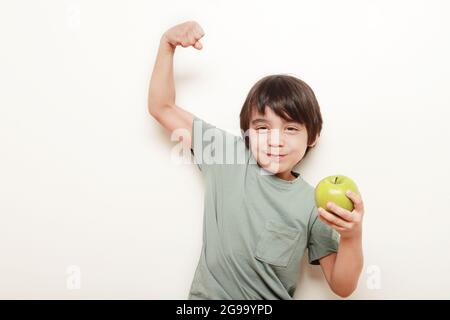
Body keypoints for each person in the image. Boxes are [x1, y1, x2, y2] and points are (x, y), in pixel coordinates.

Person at [148, 20, 365, 299]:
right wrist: (167, 45)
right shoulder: (227, 155)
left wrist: (352, 235)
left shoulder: (315, 206)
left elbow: (342, 286)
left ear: (313, 136)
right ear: (248, 132)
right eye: (263, 128)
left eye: (291, 129)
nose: (275, 140)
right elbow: (161, 106)